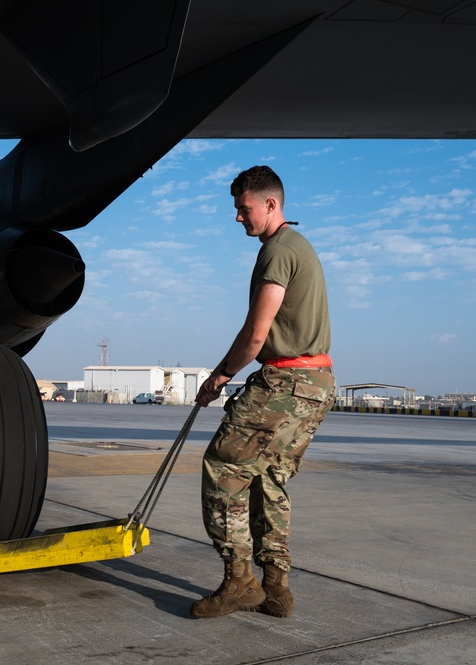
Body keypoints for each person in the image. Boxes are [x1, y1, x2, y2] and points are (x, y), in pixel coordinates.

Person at [191, 165, 336, 619]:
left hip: (286, 381)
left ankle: (240, 581)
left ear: (270, 204)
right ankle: (276, 589)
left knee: (223, 466)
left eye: (243, 208)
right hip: (316, 383)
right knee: (268, 479)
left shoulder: (277, 251)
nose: (238, 217)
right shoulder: (298, 246)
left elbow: (257, 333)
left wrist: (220, 375)